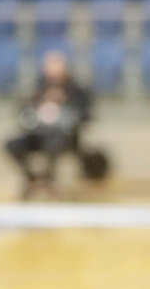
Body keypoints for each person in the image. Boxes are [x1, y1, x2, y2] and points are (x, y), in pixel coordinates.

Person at [5, 49, 96, 198]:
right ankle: (32, 179)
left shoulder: (77, 89)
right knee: (12, 145)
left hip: (64, 136)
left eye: (56, 65)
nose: (53, 70)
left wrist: (64, 104)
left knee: (54, 145)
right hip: (37, 134)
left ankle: (48, 180)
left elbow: (84, 114)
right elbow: (23, 111)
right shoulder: (37, 88)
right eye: (49, 66)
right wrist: (40, 104)